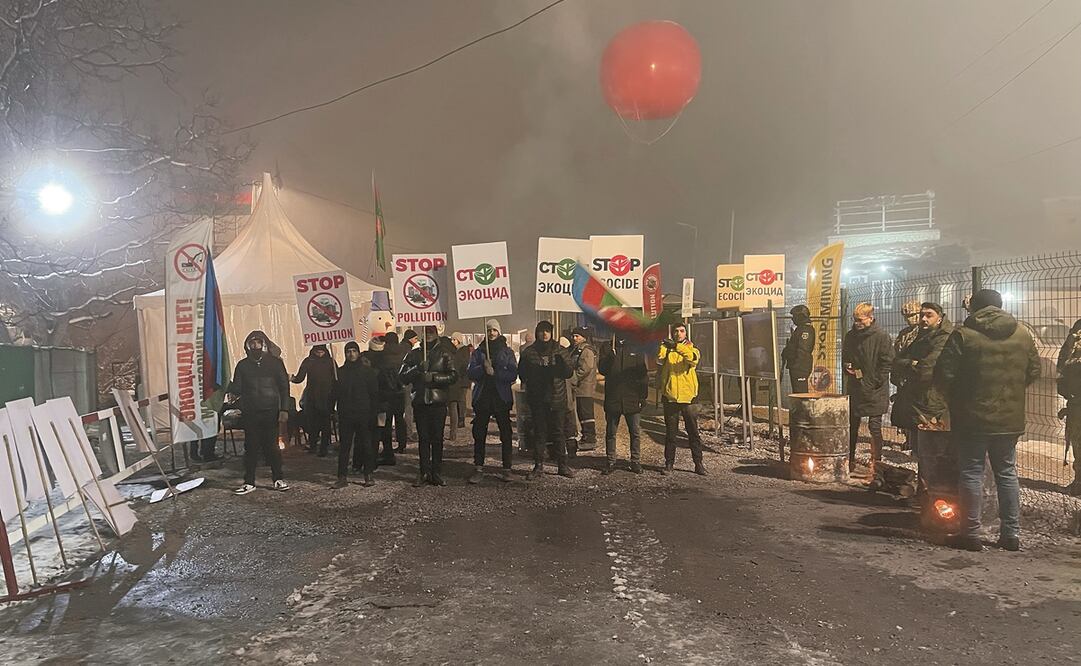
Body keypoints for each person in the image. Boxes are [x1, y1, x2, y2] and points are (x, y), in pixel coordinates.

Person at [937, 289, 1040, 552]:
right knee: (1006, 473)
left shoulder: (963, 334)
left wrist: (957, 399)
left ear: (974, 307)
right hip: (1009, 418)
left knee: (971, 472)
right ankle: (1010, 535)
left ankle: (970, 534)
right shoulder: (1022, 334)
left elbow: (943, 374)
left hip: (971, 417)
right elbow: (1034, 371)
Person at [891, 302, 953, 488]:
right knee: (922, 451)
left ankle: (932, 494)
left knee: (933, 452)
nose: (923, 319)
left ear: (940, 318)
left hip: (933, 403)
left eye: (929, 315)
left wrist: (909, 366)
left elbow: (926, 370)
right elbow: (896, 362)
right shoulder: (920, 335)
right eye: (921, 315)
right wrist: (912, 364)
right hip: (918, 401)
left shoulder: (944, 338)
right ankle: (923, 493)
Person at [229, 330, 290, 495]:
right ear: (248, 345)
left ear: (264, 344)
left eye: (258, 342)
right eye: (252, 343)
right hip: (251, 412)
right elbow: (238, 388)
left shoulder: (275, 363)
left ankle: (278, 478)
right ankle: (249, 482)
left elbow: (285, 387)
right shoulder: (242, 365)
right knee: (251, 448)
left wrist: (284, 409)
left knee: (273, 447)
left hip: (270, 411)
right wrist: (224, 383)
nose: (255, 345)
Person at [399, 327, 458, 486]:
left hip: (438, 402)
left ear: (436, 334)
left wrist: (434, 377)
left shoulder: (444, 352)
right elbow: (402, 376)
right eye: (426, 331)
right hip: (420, 401)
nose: (429, 334)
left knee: (437, 438)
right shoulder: (415, 353)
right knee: (423, 438)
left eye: (432, 331)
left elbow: (453, 375)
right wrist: (417, 369)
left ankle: (436, 471)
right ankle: (424, 471)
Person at [518, 321, 576, 479]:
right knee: (540, 433)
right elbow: (522, 374)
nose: (545, 334)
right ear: (537, 333)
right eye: (542, 331)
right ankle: (538, 466)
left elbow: (569, 372)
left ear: (551, 333)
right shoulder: (530, 352)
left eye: (547, 331)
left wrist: (562, 364)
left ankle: (562, 465)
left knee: (559, 432)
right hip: (538, 400)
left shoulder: (560, 350)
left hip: (557, 398)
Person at [842, 302, 894, 474]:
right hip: (856, 386)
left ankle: (876, 465)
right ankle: (849, 460)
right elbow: (846, 356)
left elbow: (887, 362)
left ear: (871, 318)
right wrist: (848, 368)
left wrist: (874, 381)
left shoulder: (881, 336)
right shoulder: (851, 336)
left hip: (875, 389)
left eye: (860, 320)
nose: (857, 323)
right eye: (855, 320)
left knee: (875, 427)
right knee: (852, 425)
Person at [466, 319, 518, 483]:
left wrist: (495, 372)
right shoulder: (479, 352)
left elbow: (512, 374)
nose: (491, 333)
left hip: (501, 397)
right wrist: (483, 369)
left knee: (506, 434)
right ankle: (479, 468)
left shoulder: (507, 352)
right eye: (489, 330)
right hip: (483, 398)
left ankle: (507, 468)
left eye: (494, 330)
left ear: (499, 332)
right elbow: (470, 372)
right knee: (479, 434)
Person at [658, 322, 706, 475]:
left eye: (682, 331)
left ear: (686, 333)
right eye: (676, 331)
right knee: (671, 433)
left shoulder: (692, 349)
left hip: (688, 397)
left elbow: (692, 359)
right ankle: (669, 464)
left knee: (693, 432)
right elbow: (659, 360)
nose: (679, 334)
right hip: (671, 396)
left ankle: (698, 464)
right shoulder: (668, 350)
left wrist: (676, 347)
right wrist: (664, 346)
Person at [598, 336, 648, 475]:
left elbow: (642, 374)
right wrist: (609, 357)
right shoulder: (607, 347)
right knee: (611, 432)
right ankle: (610, 461)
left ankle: (635, 461)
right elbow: (602, 369)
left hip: (632, 398)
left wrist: (643, 396)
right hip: (613, 397)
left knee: (635, 432)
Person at [333, 341, 379, 488]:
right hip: (346, 414)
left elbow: (374, 394)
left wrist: (374, 413)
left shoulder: (367, 372)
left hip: (363, 413)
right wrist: (331, 410)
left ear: (358, 353)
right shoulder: (339, 373)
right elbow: (334, 394)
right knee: (344, 446)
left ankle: (368, 474)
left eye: (354, 351)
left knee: (366, 445)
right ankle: (342, 476)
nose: (351, 354)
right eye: (348, 351)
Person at [361, 336, 403, 466]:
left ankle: (373, 459)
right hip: (386, 402)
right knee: (384, 430)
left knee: (375, 431)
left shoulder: (372, 363)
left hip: (379, 402)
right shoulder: (386, 360)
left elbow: (387, 383)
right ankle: (387, 455)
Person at [291, 344, 336, 456]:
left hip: (327, 397)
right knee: (313, 424)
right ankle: (313, 445)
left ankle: (323, 448)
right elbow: (300, 377)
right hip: (312, 397)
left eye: (322, 351)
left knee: (325, 424)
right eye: (318, 351)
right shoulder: (309, 361)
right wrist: (293, 379)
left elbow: (336, 378)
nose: (320, 354)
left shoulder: (331, 362)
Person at [1057, 318, 1081, 496]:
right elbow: (1064, 357)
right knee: (1078, 443)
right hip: (1076, 400)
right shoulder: (1079, 326)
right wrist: (1064, 386)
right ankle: (1079, 482)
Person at [569, 327, 598, 453]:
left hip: (585, 387)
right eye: (574, 336)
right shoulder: (578, 349)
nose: (574, 338)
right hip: (581, 387)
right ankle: (586, 436)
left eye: (577, 336)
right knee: (582, 412)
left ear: (584, 337)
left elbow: (586, 367)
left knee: (586, 414)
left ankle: (590, 438)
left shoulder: (586, 351)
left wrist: (574, 378)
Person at [381, 331, 410, 454]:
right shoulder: (402, 353)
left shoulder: (383, 354)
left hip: (386, 392)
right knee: (399, 419)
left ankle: (387, 447)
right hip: (400, 390)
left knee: (386, 421)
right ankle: (402, 444)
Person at [781, 305, 815, 394]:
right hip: (797, 366)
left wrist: (796, 365)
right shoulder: (801, 329)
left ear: (800, 316)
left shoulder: (806, 330)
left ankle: (802, 408)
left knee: (801, 394)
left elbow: (803, 350)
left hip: (800, 367)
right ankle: (798, 408)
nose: (793, 319)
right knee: (797, 393)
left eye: (794, 316)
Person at [448, 332, 471, 440]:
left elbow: (464, 365)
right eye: (451, 340)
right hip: (457, 380)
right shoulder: (454, 351)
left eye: (454, 340)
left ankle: (461, 418)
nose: (452, 342)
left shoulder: (463, 351)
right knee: (457, 401)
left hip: (462, 380)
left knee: (461, 400)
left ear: (459, 340)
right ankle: (459, 420)